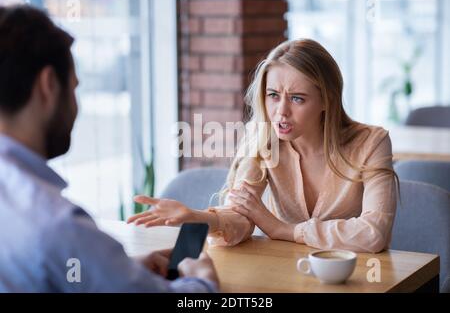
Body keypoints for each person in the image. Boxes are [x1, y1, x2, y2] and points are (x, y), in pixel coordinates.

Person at [0, 5, 218, 292]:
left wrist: (111, 270)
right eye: (75, 88)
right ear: (48, 85)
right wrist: (202, 282)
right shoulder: (58, 225)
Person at [128, 39, 398, 254]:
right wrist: (198, 217)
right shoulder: (263, 140)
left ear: (327, 100)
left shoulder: (371, 143)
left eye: (297, 99)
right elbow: (240, 218)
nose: (281, 112)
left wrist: (283, 230)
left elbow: (374, 233)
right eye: (273, 96)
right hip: (286, 276)